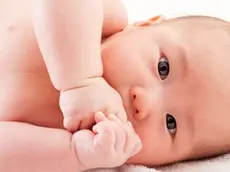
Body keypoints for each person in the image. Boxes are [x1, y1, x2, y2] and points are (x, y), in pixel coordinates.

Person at [1, 0, 230, 170]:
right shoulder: (106, 18)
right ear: (143, 25)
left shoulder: (73, 139)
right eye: (163, 68)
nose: (145, 103)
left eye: (171, 124)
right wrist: (81, 80)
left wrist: (75, 153)